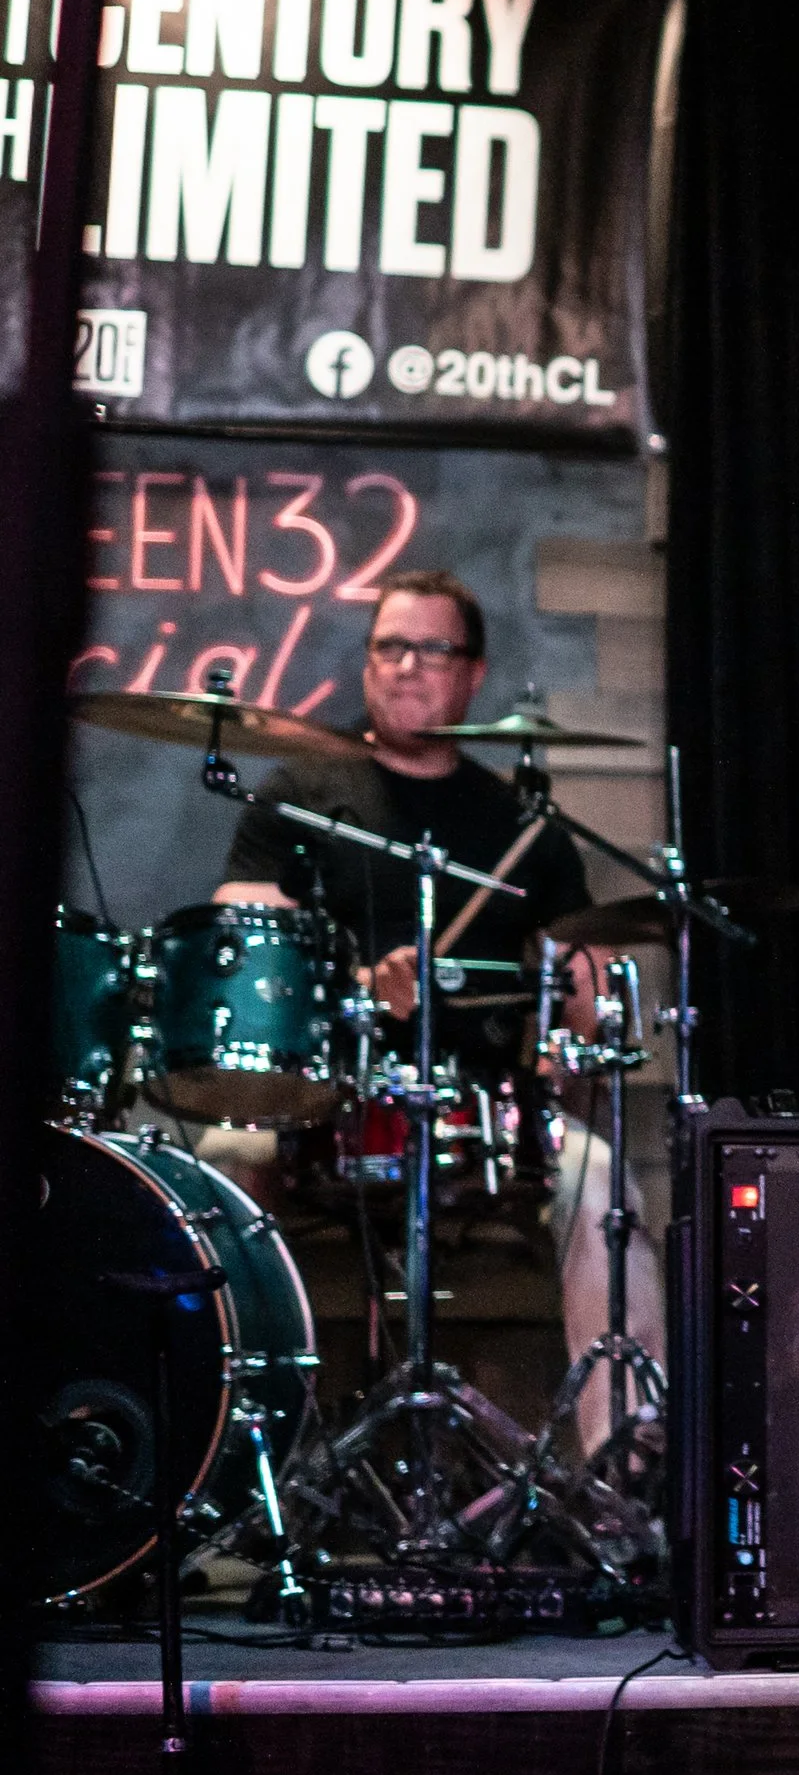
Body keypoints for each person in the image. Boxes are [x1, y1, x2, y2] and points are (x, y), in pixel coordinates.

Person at [213, 567, 662, 1455]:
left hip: (487, 1121)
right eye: (390, 646)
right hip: (322, 1105)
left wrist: (582, 1007)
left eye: (432, 649)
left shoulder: (522, 827)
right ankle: (218, 1462)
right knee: (220, 1161)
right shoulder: (298, 794)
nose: (407, 666)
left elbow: (587, 992)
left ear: (474, 674)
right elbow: (247, 954)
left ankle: (628, 1473)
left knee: (602, 1178)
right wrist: (354, 989)